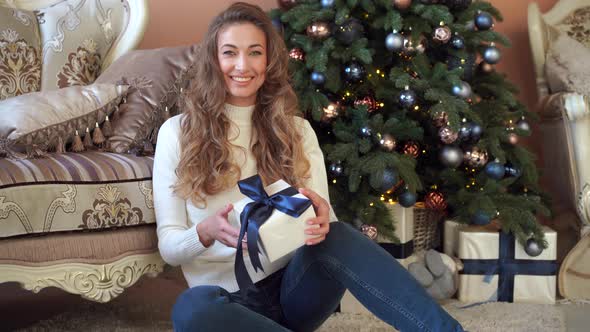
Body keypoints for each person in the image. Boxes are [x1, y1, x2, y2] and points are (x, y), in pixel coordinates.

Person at [153, 2, 464, 331]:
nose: (242, 65)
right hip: (228, 304)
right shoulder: (177, 133)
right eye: (230, 52)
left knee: (340, 235)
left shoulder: (296, 131)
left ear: (269, 60)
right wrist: (203, 234)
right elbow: (169, 247)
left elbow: (324, 227)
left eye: (255, 52)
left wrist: (321, 221)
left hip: (294, 291)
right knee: (191, 309)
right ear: (214, 60)